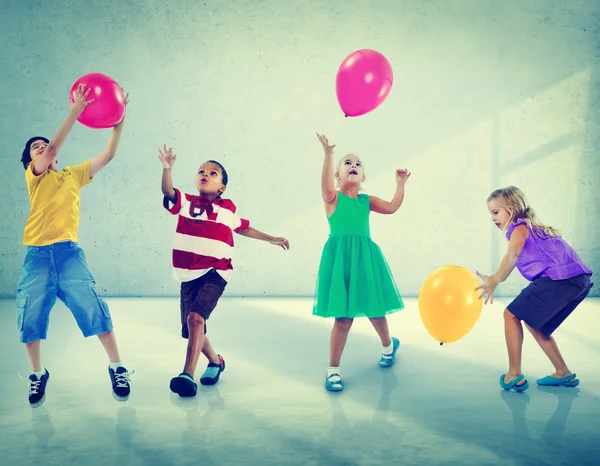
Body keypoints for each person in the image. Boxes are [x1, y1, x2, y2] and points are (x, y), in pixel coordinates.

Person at [17, 84, 132, 408]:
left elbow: (108, 155)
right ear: (30, 160)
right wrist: (77, 109)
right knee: (30, 315)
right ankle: (37, 373)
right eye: (36, 148)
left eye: (44, 146)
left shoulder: (72, 175)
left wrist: (119, 117)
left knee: (93, 306)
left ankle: (117, 366)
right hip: (37, 255)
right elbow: (53, 149)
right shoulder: (34, 176)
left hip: (68, 253)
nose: (43, 150)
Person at [159, 145, 290, 397]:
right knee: (191, 326)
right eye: (201, 171)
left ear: (222, 187)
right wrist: (167, 169)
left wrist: (272, 238)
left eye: (213, 172)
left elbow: (243, 228)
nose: (205, 174)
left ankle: (187, 375)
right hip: (188, 274)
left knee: (197, 318)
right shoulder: (186, 202)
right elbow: (167, 191)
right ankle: (216, 361)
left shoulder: (228, 208)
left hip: (216, 272)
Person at [313, 134, 409, 392]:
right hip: (341, 261)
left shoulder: (366, 201)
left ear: (363, 177)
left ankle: (389, 346)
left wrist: (400, 185)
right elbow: (324, 188)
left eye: (357, 163)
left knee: (375, 309)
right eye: (347, 163)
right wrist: (329, 154)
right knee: (343, 319)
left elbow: (391, 207)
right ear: (337, 175)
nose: (353, 165)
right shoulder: (332, 198)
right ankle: (332, 370)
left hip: (365, 259)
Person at [476, 186, 593, 391]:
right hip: (578, 282)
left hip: (559, 279)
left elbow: (512, 255)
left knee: (510, 314)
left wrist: (495, 279)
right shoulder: (534, 228)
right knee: (536, 323)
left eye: (495, 212)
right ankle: (563, 373)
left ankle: (514, 374)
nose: (492, 217)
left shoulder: (519, 227)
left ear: (511, 209)